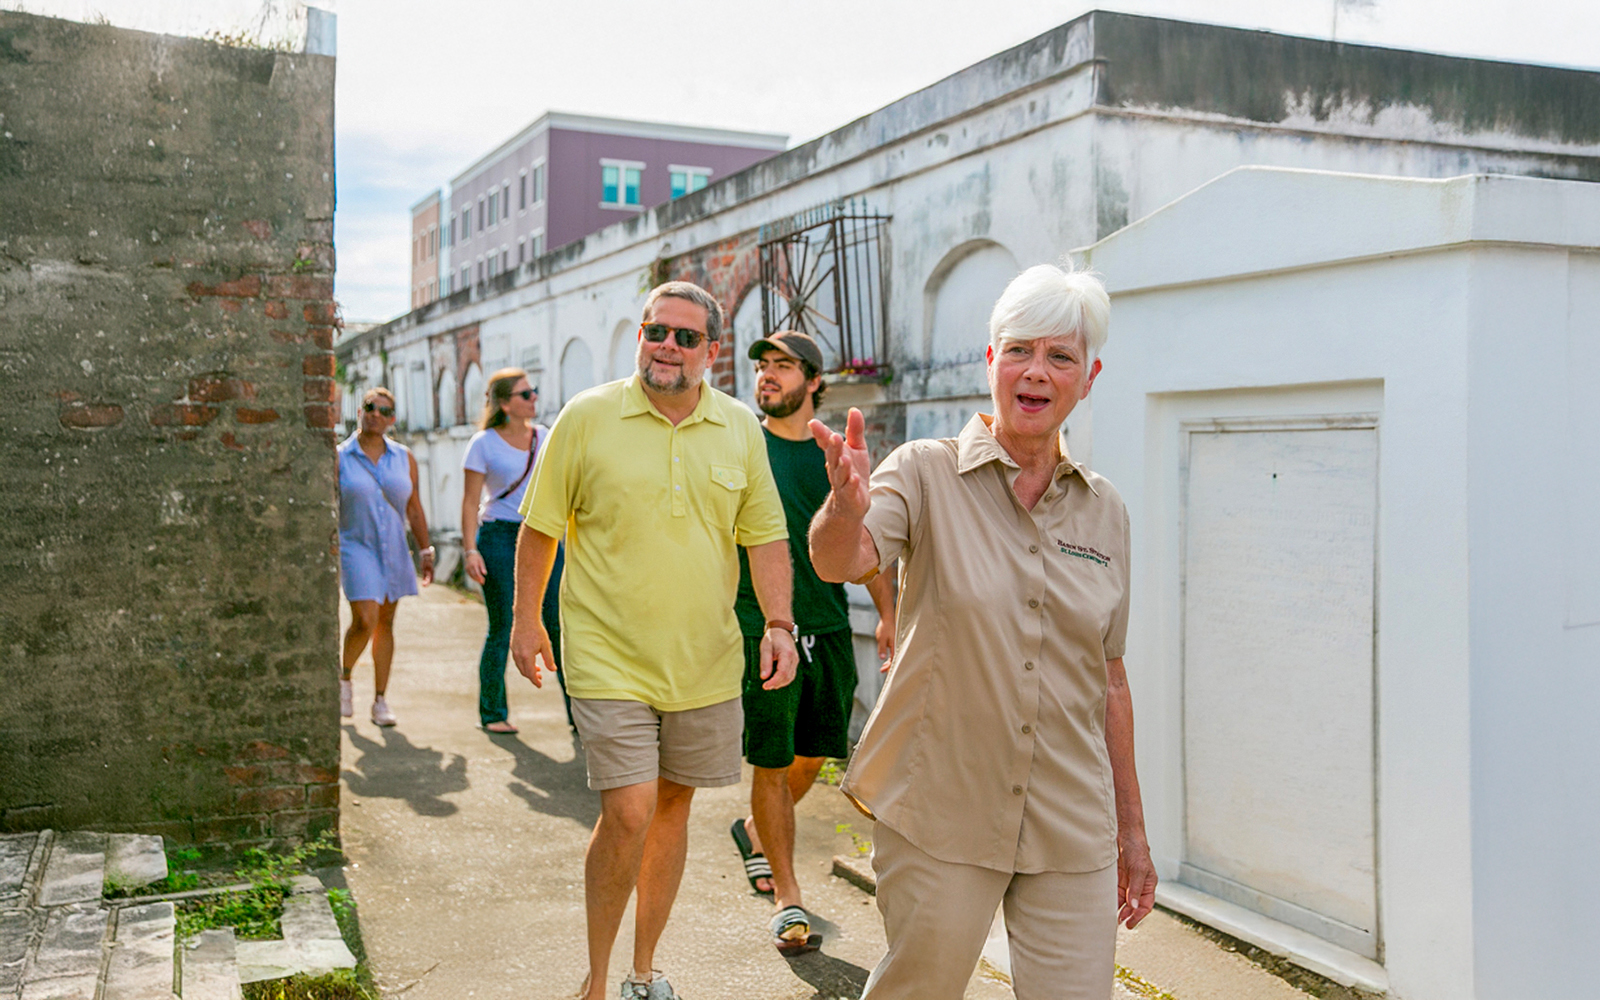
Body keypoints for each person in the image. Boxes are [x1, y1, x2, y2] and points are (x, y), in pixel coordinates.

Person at [808, 263, 1157, 999]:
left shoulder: (1106, 512)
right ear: (991, 361)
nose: (1037, 371)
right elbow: (845, 560)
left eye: (1060, 356)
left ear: (1087, 377)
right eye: (1020, 350)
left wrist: (1132, 828)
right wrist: (842, 506)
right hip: (941, 807)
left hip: (1070, 817)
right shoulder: (926, 472)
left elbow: (1111, 675)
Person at [509, 281, 800, 1000]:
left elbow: (765, 538)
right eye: (655, 331)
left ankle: (644, 972)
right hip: (608, 654)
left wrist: (780, 625)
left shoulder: (738, 429)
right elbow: (540, 527)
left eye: (684, 336)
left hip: (704, 660)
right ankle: (598, 979)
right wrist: (525, 618)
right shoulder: (587, 417)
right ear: (640, 337)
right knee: (629, 807)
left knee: (672, 808)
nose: (667, 346)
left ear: (712, 351)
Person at [727, 330, 897, 954]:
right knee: (771, 761)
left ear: (815, 381)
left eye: (782, 366)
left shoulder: (838, 453)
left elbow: (869, 541)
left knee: (816, 755)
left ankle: (754, 829)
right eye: (762, 366)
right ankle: (788, 895)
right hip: (764, 626)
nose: (767, 375)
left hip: (827, 624)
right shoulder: (744, 446)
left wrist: (888, 613)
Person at [460, 368, 569, 734]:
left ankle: (580, 717)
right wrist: (470, 550)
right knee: (504, 624)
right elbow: (470, 501)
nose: (534, 397)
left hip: (543, 535)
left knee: (558, 623)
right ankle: (492, 713)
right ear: (505, 404)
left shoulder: (546, 436)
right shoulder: (483, 443)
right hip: (499, 537)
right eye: (525, 394)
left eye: (534, 391)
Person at [337, 387, 433, 727]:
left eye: (384, 410)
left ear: (392, 419)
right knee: (365, 618)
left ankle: (380, 700)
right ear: (360, 411)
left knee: (387, 622)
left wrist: (425, 549)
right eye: (370, 407)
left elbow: (414, 506)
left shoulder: (403, 457)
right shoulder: (339, 456)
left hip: (393, 546)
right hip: (355, 545)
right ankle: (345, 678)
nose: (376, 414)